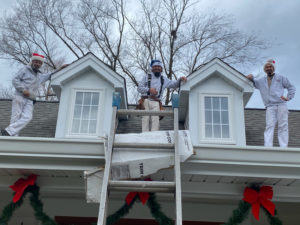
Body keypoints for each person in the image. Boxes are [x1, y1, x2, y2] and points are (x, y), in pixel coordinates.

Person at [1, 53, 68, 136]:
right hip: (20, 96)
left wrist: (59, 69)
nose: (37, 64)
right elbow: (15, 80)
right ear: (32, 62)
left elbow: (49, 75)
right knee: (16, 116)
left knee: (28, 117)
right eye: (36, 62)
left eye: (39, 63)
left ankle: (8, 131)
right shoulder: (25, 69)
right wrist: (23, 90)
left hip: (30, 99)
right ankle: (13, 136)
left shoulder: (39, 76)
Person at [247, 58, 296, 147]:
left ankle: (283, 146)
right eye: (267, 67)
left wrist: (288, 97)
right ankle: (268, 146)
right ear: (265, 69)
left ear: (273, 68)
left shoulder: (280, 78)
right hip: (269, 106)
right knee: (269, 126)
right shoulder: (261, 81)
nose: (269, 68)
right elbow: (254, 82)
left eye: (270, 67)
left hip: (281, 104)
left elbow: (291, 86)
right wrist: (251, 77)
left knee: (283, 125)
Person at [137, 60, 187, 132]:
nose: (157, 68)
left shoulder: (164, 79)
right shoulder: (147, 77)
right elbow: (139, 88)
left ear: (161, 69)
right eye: (155, 66)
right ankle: (145, 136)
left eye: (159, 66)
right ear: (152, 68)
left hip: (156, 101)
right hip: (146, 100)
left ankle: (154, 136)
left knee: (155, 119)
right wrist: (149, 90)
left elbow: (174, 84)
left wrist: (180, 79)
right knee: (145, 118)